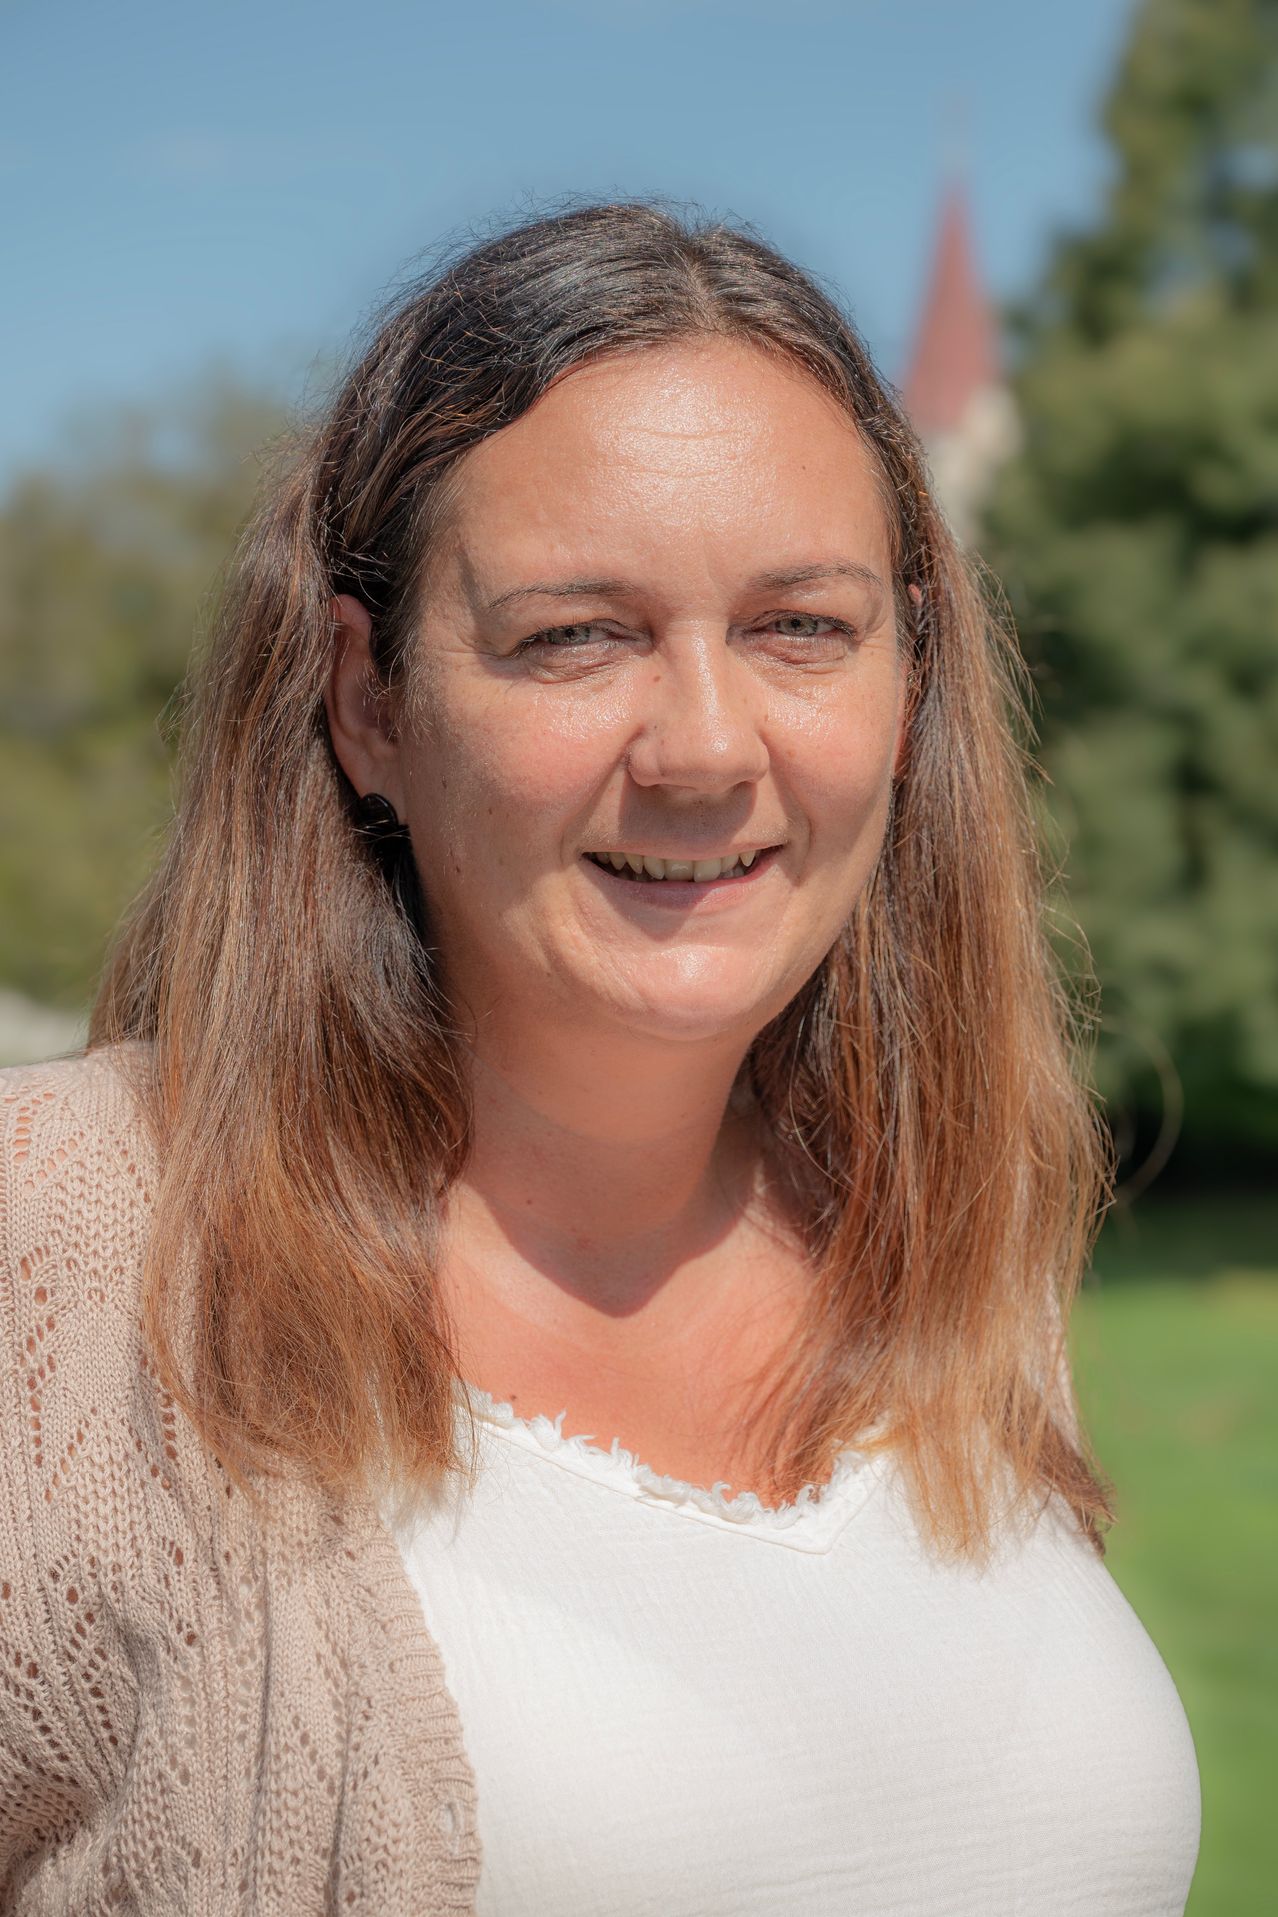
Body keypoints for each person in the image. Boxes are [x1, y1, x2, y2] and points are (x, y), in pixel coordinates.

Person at [0, 201, 1200, 1914]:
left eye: (801, 626)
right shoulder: (61, 1251)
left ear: (911, 676)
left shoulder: (939, 1238)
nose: (706, 746)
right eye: (577, 633)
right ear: (370, 702)